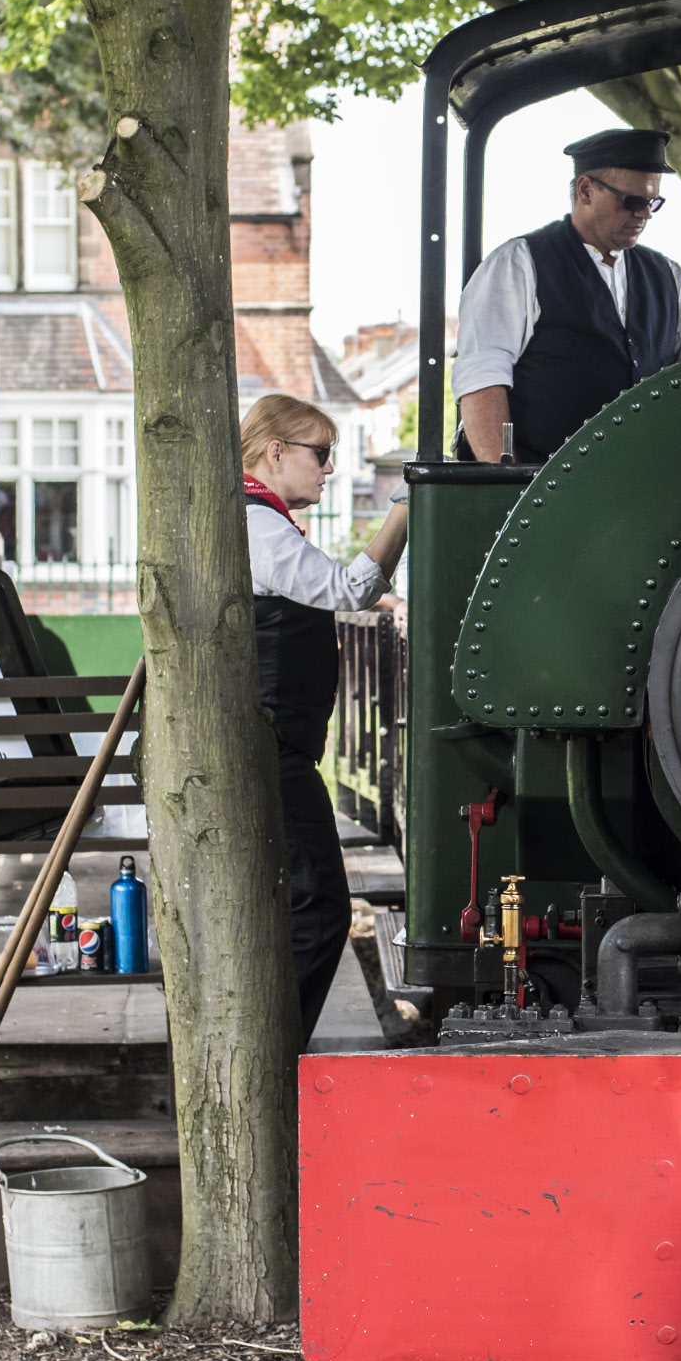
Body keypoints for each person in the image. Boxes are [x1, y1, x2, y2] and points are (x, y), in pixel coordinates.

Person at [242, 393, 409, 1045]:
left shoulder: (261, 520)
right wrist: (402, 512)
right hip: (272, 745)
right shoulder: (257, 526)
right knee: (321, 911)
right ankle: (274, 1061)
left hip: (277, 743)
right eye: (320, 454)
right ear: (274, 450)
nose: (328, 470)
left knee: (295, 908)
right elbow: (346, 590)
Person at [452, 127, 681, 463]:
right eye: (633, 201)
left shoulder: (667, 274)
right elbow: (482, 378)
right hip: (540, 482)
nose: (645, 213)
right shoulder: (519, 264)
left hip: (642, 480)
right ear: (585, 190)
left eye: (654, 202)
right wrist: (502, 480)